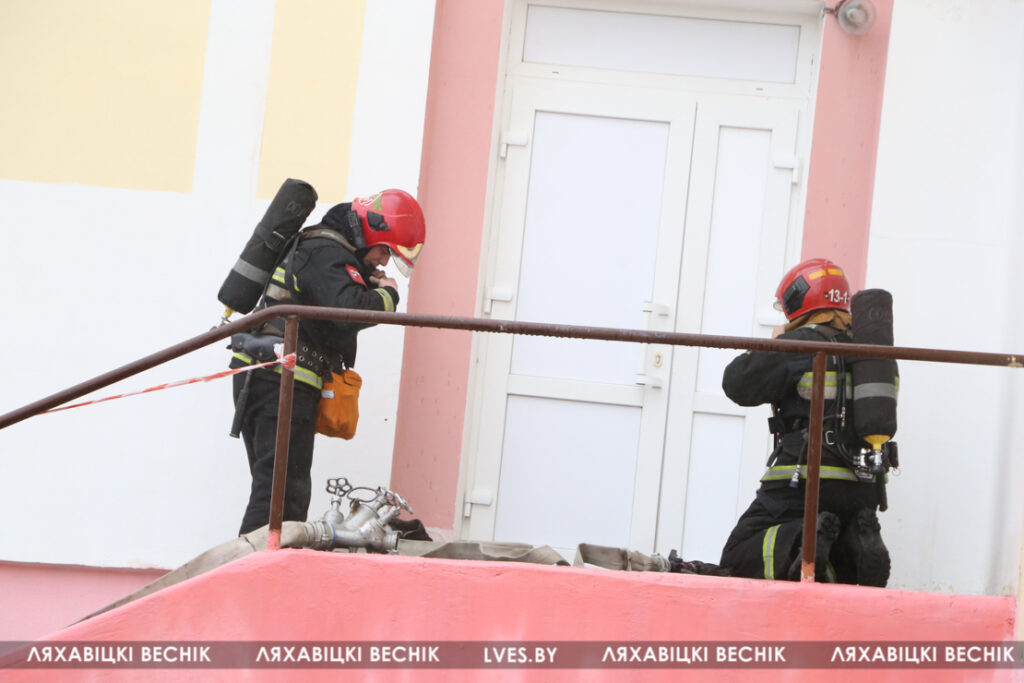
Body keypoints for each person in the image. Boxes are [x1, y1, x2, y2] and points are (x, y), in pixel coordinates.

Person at [229, 189, 426, 535]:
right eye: (384, 251)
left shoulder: (331, 254)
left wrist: (367, 282)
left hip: (275, 378)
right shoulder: (326, 252)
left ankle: (261, 562)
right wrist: (388, 293)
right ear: (370, 236)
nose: (383, 262)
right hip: (278, 381)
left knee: (282, 494)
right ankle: (251, 565)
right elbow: (349, 311)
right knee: (278, 496)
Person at [718, 258, 890, 586]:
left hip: (803, 482)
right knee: (834, 551)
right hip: (863, 487)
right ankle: (856, 547)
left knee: (738, 555)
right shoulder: (869, 353)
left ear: (798, 299)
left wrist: (774, 344)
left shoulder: (799, 344)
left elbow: (737, 383)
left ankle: (802, 540)